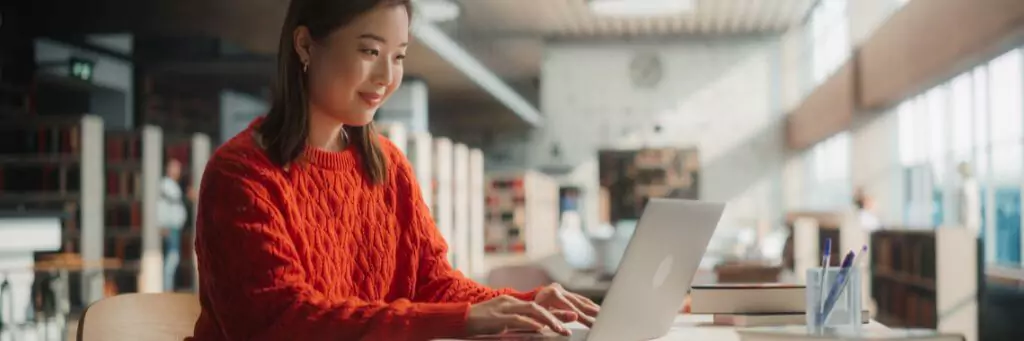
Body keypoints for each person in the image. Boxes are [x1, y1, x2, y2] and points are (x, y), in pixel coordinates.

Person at [189, 0, 598, 340]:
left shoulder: (387, 164)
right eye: (370, 51)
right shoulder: (241, 174)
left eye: (398, 56)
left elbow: (433, 282)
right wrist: (465, 319)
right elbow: (283, 320)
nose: (387, 77)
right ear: (305, 45)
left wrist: (526, 303)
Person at [157, 158, 188, 292]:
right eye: (175, 168)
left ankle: (168, 287)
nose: (178, 171)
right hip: (169, 228)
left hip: (174, 228)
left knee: (173, 259)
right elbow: (161, 207)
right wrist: (162, 225)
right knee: (171, 259)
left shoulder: (174, 185)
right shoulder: (165, 185)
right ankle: (167, 289)